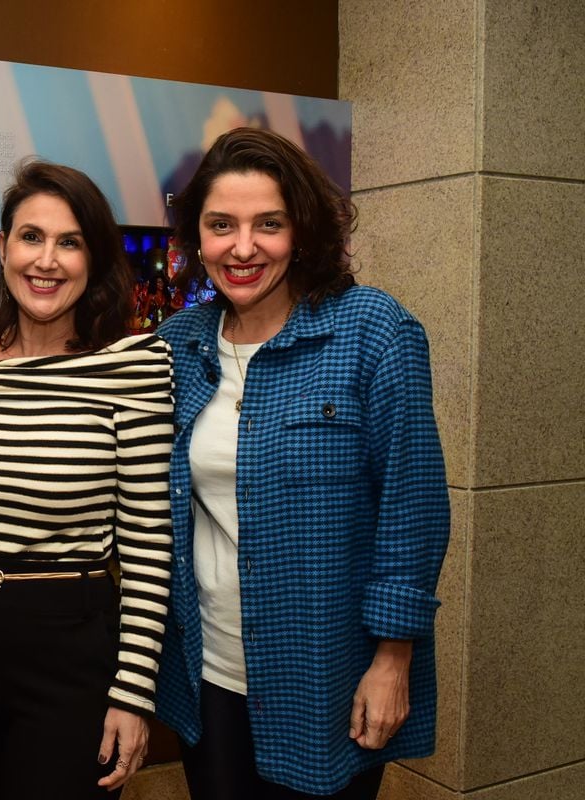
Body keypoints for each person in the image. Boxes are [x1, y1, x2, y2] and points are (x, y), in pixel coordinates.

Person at [155, 127, 450, 799]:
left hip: (326, 674)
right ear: (197, 238)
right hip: (209, 676)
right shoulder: (176, 347)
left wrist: (393, 658)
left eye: (269, 224)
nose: (243, 247)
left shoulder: (373, 330)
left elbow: (414, 507)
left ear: (303, 230)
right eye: (221, 225)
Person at [0, 160, 175, 799]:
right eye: (31, 237)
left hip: (68, 646)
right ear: (2, 249)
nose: (46, 260)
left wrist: (132, 693)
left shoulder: (130, 367)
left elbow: (147, 541)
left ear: (94, 259)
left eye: (69, 242)